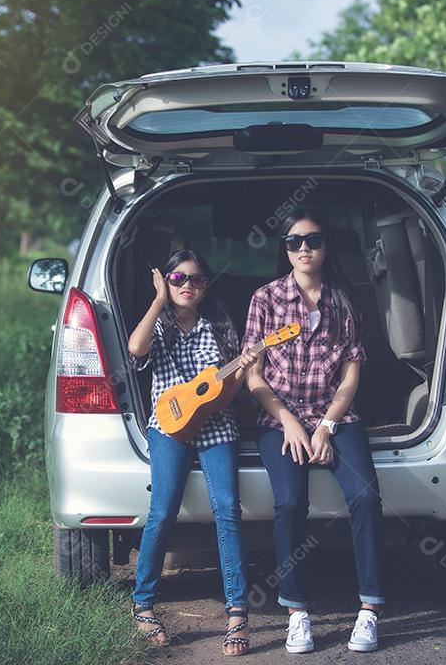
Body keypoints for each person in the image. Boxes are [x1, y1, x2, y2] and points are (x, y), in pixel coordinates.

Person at [243, 206, 385, 653]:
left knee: (365, 495)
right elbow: (254, 377)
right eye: (294, 242)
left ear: (326, 247)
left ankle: (369, 611)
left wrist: (325, 427)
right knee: (289, 502)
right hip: (279, 419)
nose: (304, 248)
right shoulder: (264, 300)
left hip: (334, 416)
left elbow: (350, 378)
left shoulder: (344, 302)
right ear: (284, 249)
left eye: (313, 240)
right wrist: (289, 423)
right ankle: (297, 612)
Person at [127, 248, 259, 656]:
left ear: (207, 284)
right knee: (162, 511)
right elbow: (135, 349)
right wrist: (157, 301)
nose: (188, 285)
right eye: (178, 278)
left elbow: (226, 396)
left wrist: (243, 368)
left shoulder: (218, 325)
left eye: (197, 279)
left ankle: (237, 611)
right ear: (167, 281)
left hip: (216, 426)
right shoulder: (161, 323)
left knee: (228, 509)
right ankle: (143, 603)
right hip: (168, 426)